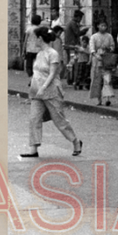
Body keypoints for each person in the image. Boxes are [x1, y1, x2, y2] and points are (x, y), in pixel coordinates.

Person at [20, 27, 82, 159]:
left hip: (52, 91)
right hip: (37, 93)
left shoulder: (52, 53)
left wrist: (44, 86)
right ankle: (33, 149)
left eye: (36, 37)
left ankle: (76, 142)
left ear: (40, 38)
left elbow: (54, 73)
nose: (34, 40)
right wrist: (33, 87)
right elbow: (37, 73)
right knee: (34, 119)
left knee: (59, 120)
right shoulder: (39, 54)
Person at [88, 19, 116, 105]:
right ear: (98, 26)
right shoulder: (94, 37)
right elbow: (92, 49)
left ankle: (107, 98)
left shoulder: (109, 36)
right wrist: (96, 55)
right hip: (97, 60)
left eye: (105, 25)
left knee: (107, 79)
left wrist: (109, 49)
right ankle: (99, 99)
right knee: (97, 80)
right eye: (102, 25)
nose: (103, 27)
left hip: (107, 59)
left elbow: (112, 46)